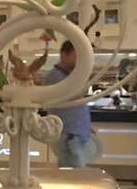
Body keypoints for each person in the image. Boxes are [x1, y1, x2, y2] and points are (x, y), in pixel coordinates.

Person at [41, 40, 98, 168]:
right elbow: (74, 96)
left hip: (75, 135)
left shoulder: (69, 77)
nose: (80, 61)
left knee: (70, 173)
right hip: (68, 136)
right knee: (75, 175)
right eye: (77, 55)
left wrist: (85, 127)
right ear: (64, 54)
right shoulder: (55, 77)